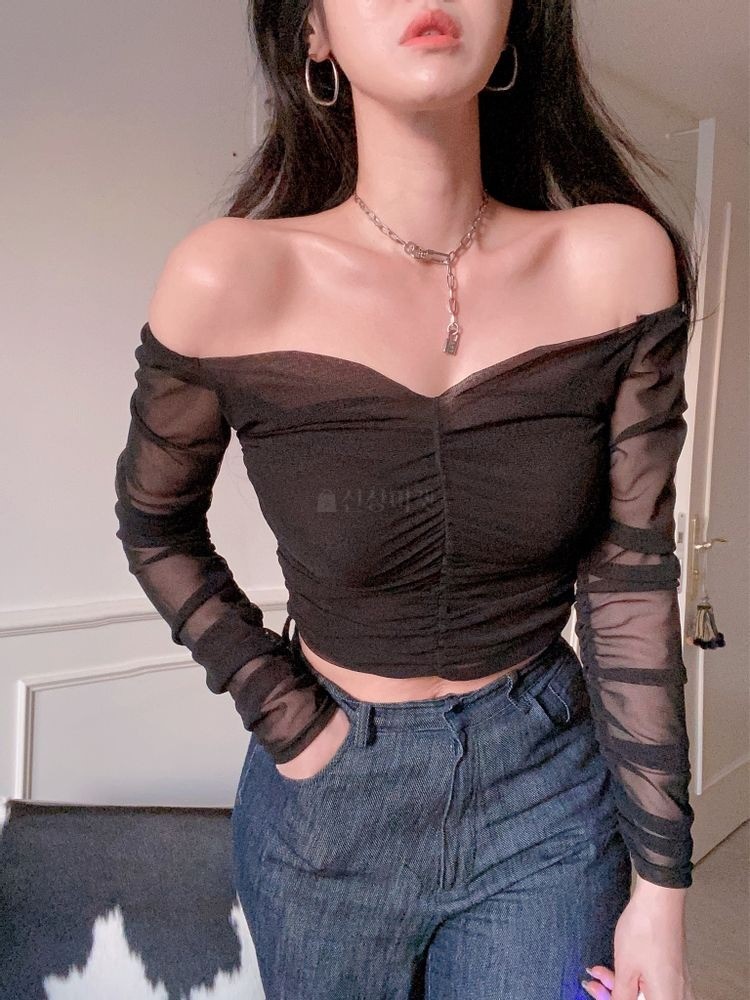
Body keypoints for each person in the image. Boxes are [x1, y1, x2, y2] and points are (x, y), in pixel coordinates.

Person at [114, 2, 699, 997]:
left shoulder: (618, 261)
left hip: (550, 790)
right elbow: (154, 524)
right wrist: (285, 715)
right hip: (329, 805)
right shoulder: (229, 275)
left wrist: (661, 893)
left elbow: (630, 575)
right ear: (313, 34)